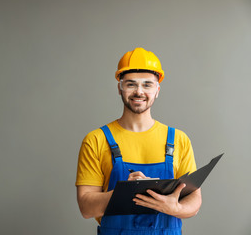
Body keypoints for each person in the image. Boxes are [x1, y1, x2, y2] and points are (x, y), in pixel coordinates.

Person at [75, 47, 202, 235]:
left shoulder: (179, 140)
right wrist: (123, 193)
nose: (139, 92)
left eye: (147, 85)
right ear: (120, 87)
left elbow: (194, 199)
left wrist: (175, 208)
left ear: (157, 90)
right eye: (131, 84)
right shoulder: (96, 140)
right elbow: (86, 208)